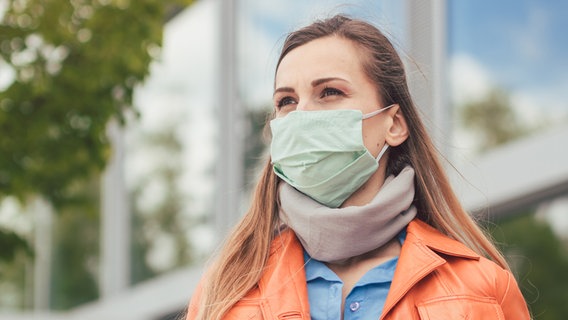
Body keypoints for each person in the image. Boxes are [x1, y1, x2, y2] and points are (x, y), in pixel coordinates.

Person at [185, 15, 530, 320]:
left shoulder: (484, 289)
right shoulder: (226, 288)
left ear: (394, 124)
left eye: (329, 92)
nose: (301, 114)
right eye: (286, 101)